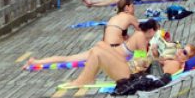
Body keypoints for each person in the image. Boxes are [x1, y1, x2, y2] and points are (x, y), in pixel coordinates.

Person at [23, 16, 158, 69]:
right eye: (155, 32)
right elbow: (142, 61)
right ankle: (35, 62)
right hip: (104, 53)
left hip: (105, 51)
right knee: (67, 59)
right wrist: (154, 51)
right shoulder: (140, 36)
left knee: (68, 58)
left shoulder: (139, 35)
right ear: (151, 30)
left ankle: (35, 62)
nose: (155, 35)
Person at [67, 41, 195, 86]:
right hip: (130, 66)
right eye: (182, 49)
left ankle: (83, 80)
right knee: (101, 45)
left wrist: (155, 61)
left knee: (97, 52)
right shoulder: (172, 60)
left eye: (184, 52)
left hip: (129, 74)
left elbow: (158, 77)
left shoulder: (175, 65)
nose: (179, 51)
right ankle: (89, 77)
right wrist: (155, 56)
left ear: (187, 60)